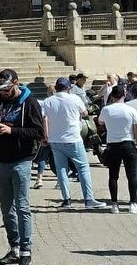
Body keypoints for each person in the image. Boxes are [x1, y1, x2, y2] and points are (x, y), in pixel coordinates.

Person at [0, 70, 43, 265]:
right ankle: (14, 248)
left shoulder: (30, 103)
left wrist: (12, 130)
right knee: (6, 209)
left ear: (16, 84)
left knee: (22, 206)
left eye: (8, 90)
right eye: (1, 90)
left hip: (21, 160)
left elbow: (38, 132)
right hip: (0, 160)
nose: (4, 93)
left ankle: (26, 252)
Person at [42, 77, 105, 209]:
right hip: (72, 138)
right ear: (68, 88)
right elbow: (85, 112)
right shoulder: (74, 99)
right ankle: (88, 199)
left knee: (61, 170)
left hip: (55, 140)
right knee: (83, 168)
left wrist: (46, 136)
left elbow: (44, 119)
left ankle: (67, 200)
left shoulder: (48, 101)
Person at [97, 85, 137, 214]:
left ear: (112, 96)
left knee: (113, 175)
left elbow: (100, 122)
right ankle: (133, 203)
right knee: (131, 175)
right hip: (128, 143)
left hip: (113, 144)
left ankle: (114, 204)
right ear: (124, 95)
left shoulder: (106, 110)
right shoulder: (131, 110)